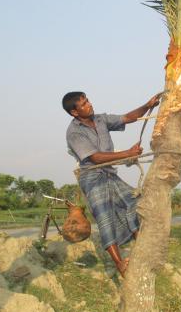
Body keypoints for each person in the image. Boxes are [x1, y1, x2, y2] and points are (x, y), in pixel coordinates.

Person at [62, 91, 160, 276]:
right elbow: (96, 157)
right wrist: (127, 154)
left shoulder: (101, 120)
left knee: (135, 202)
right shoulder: (73, 133)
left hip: (109, 173)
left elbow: (127, 117)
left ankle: (141, 245)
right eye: (83, 104)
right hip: (92, 177)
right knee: (105, 218)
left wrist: (148, 105)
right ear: (75, 112)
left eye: (88, 100)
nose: (89, 105)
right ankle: (119, 264)